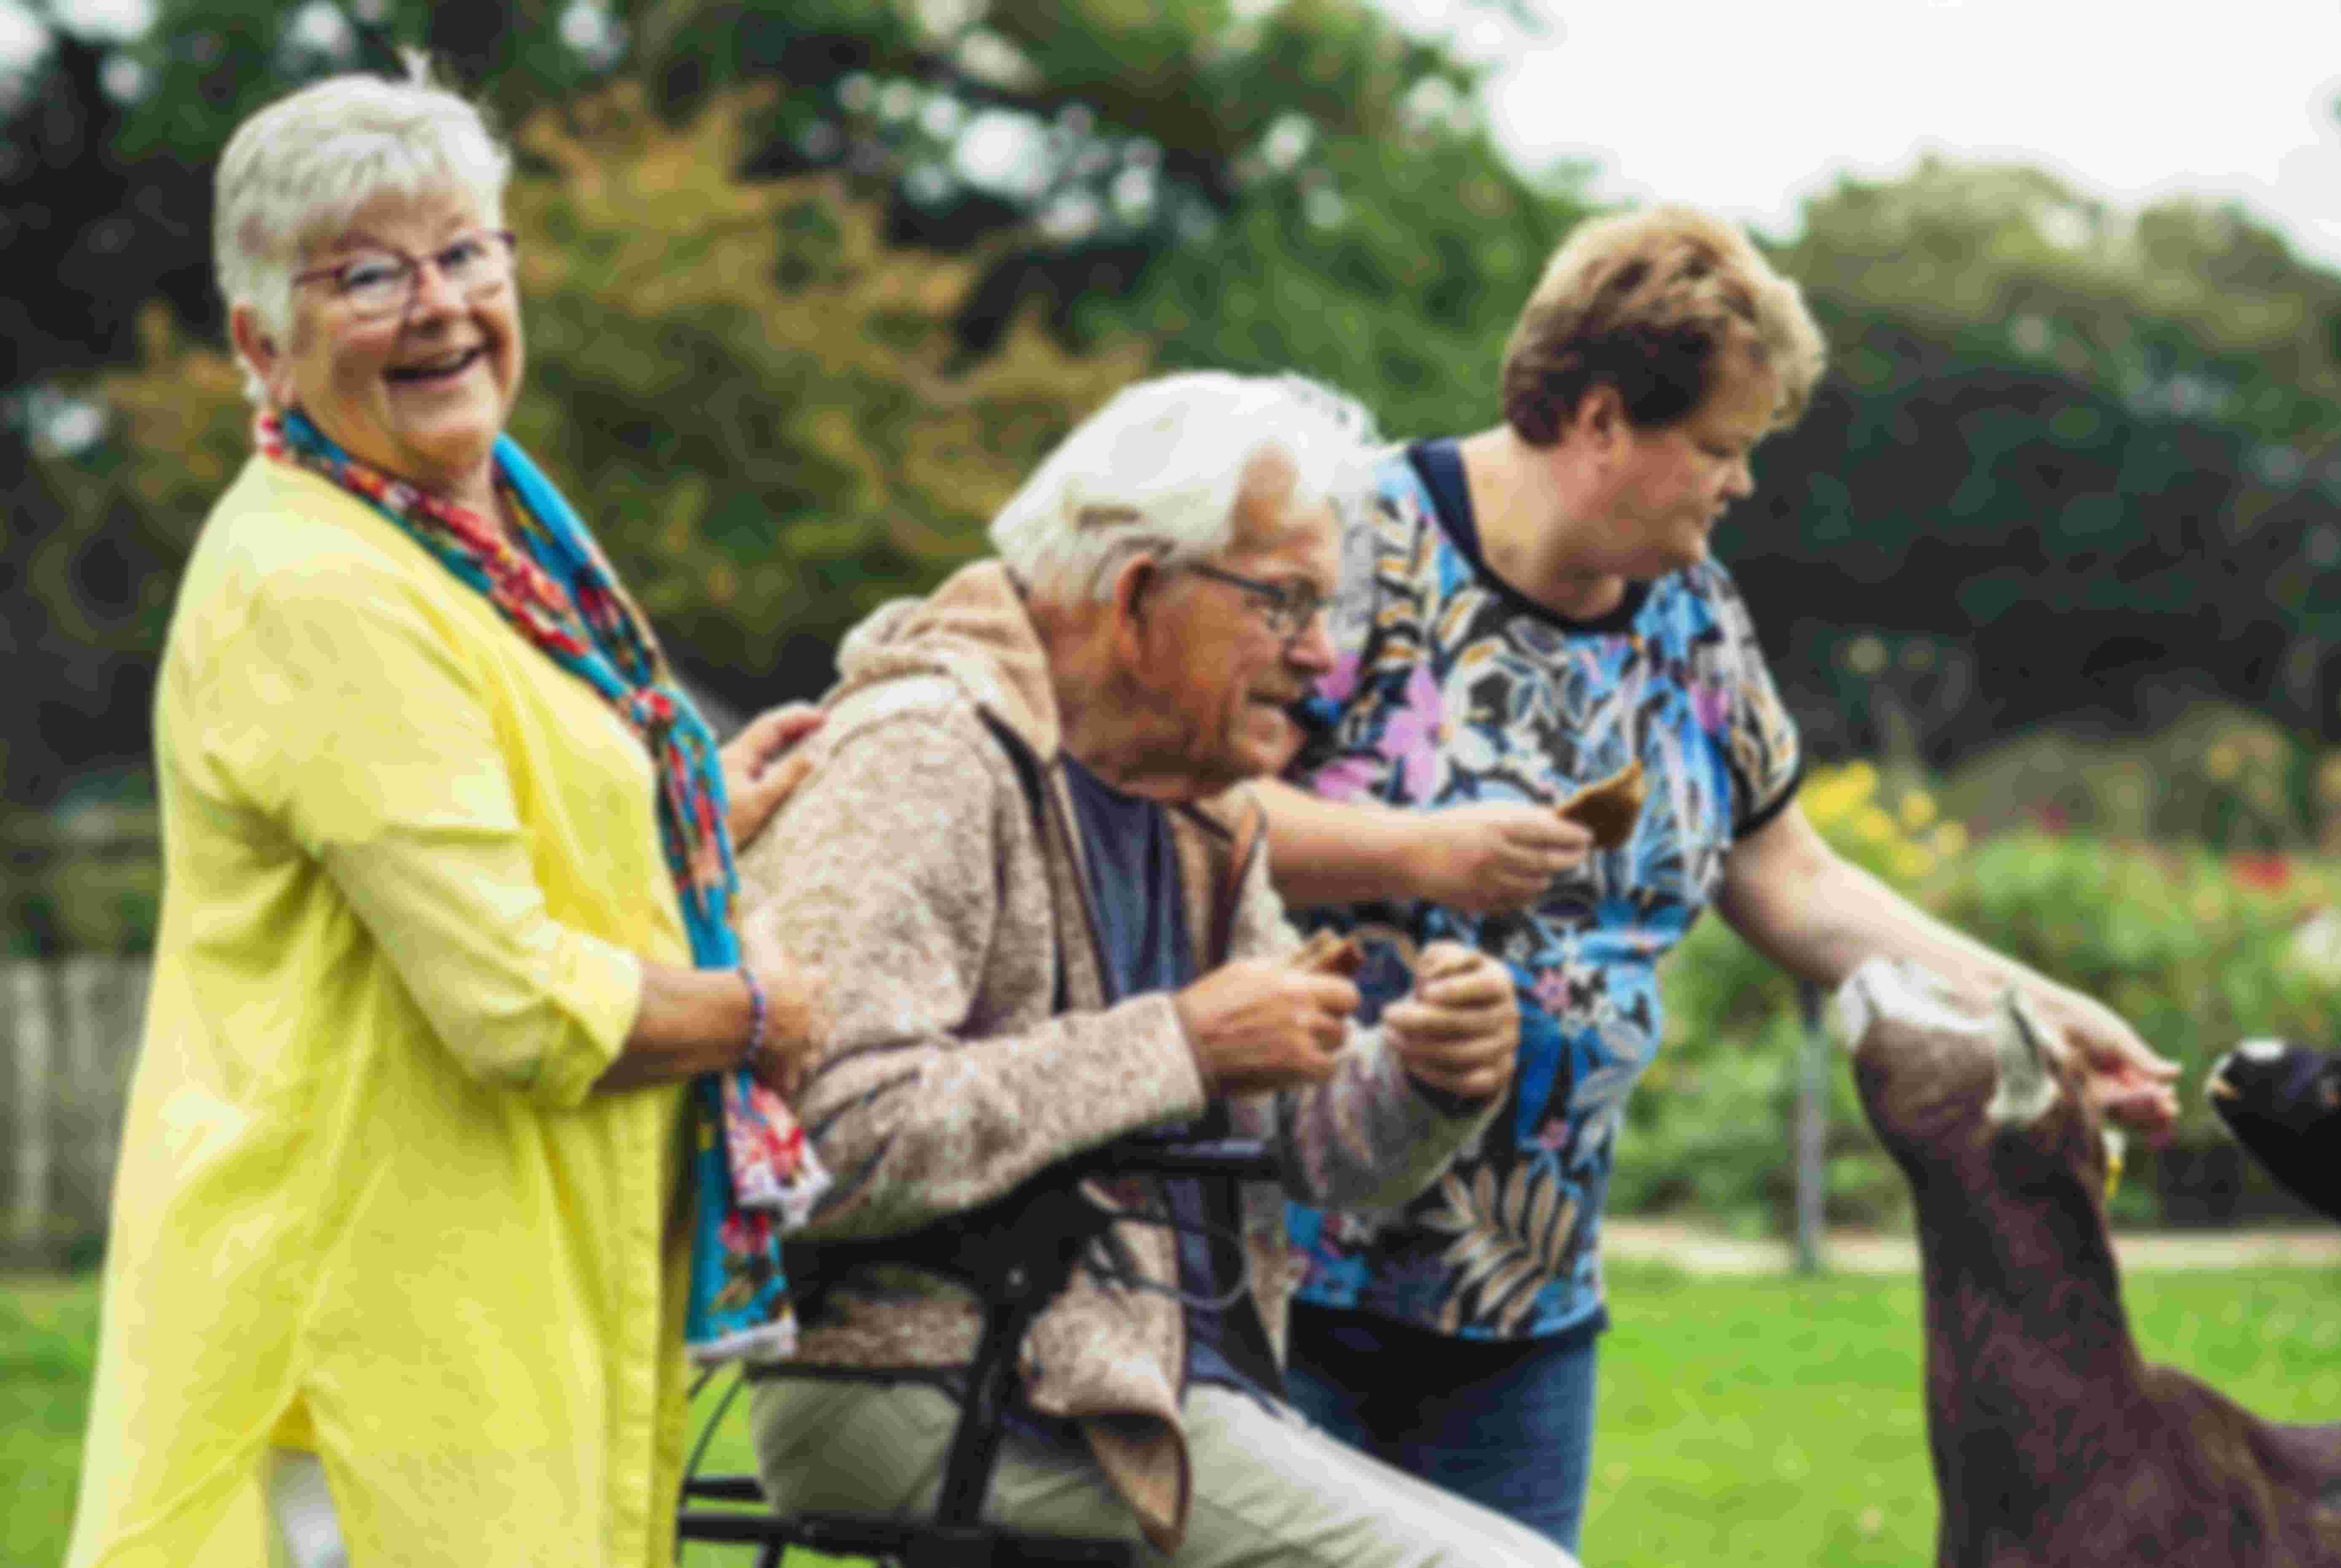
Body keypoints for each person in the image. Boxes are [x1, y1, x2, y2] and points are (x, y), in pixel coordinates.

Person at [1255, 204, 2186, 1549]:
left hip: (1529, 1307)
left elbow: (1796, 879)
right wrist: (1416, 852)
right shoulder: (1357, 547)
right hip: (1294, 1281)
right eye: (1721, 448)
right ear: (1597, 421)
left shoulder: (1690, 608)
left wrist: (2035, 1015)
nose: (1740, 486)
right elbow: (1194, 808)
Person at [64, 68, 832, 1568]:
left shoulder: (485, 530)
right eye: (365, 275)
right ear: (259, 343)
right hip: (369, 1329)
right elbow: (517, 1002)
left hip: (488, 1297)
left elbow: (476, 837)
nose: (439, 307)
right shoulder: (319, 582)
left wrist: (698, 819)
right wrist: (753, 1011)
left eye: (468, 253)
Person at [734, 371, 1575, 1568]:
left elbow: (1306, 1143)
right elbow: (818, 1141)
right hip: (915, 1382)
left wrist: (1428, 1077)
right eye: (1284, 605)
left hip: (1129, 1383)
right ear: (1136, 595)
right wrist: (1174, 1043)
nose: (1322, 656)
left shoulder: (1201, 810)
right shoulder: (924, 755)